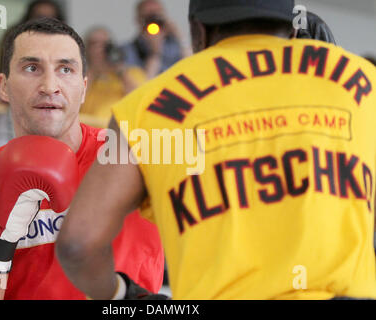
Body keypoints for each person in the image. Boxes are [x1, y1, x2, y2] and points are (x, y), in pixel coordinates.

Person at [56, 0, 376, 300]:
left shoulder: (149, 106)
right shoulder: (365, 80)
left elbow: (78, 244)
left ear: (198, 31)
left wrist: (122, 296)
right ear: (292, 30)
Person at [0, 18, 164, 300]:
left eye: (65, 69)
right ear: (3, 86)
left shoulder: (138, 156)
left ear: (84, 88)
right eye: (32, 68)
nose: (49, 86)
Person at [81, 26, 147, 121]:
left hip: (120, 132)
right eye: (94, 44)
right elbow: (74, 103)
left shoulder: (133, 73)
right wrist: (93, 70)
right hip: (88, 130)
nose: (101, 49)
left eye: (105, 44)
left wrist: (119, 71)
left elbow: (142, 101)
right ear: (86, 50)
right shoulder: (79, 76)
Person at [121, 0, 190, 79]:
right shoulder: (128, 50)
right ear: (138, 20)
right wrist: (155, 53)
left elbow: (192, 67)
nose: (154, 20)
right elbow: (141, 85)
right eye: (149, 16)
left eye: (158, 15)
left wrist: (180, 37)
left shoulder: (175, 44)